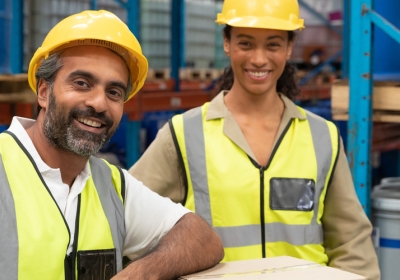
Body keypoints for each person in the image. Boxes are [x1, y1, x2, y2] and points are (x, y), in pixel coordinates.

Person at [129, 0, 380, 279]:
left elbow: (351, 242)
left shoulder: (322, 136)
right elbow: (128, 217)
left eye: (272, 45)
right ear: (227, 42)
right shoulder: (183, 134)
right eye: (246, 44)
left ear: (288, 47)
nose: (258, 59)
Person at [0, 10, 224, 280]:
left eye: (114, 92)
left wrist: (141, 272)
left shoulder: (112, 186)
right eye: (82, 83)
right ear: (44, 93)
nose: (99, 103)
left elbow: (203, 238)